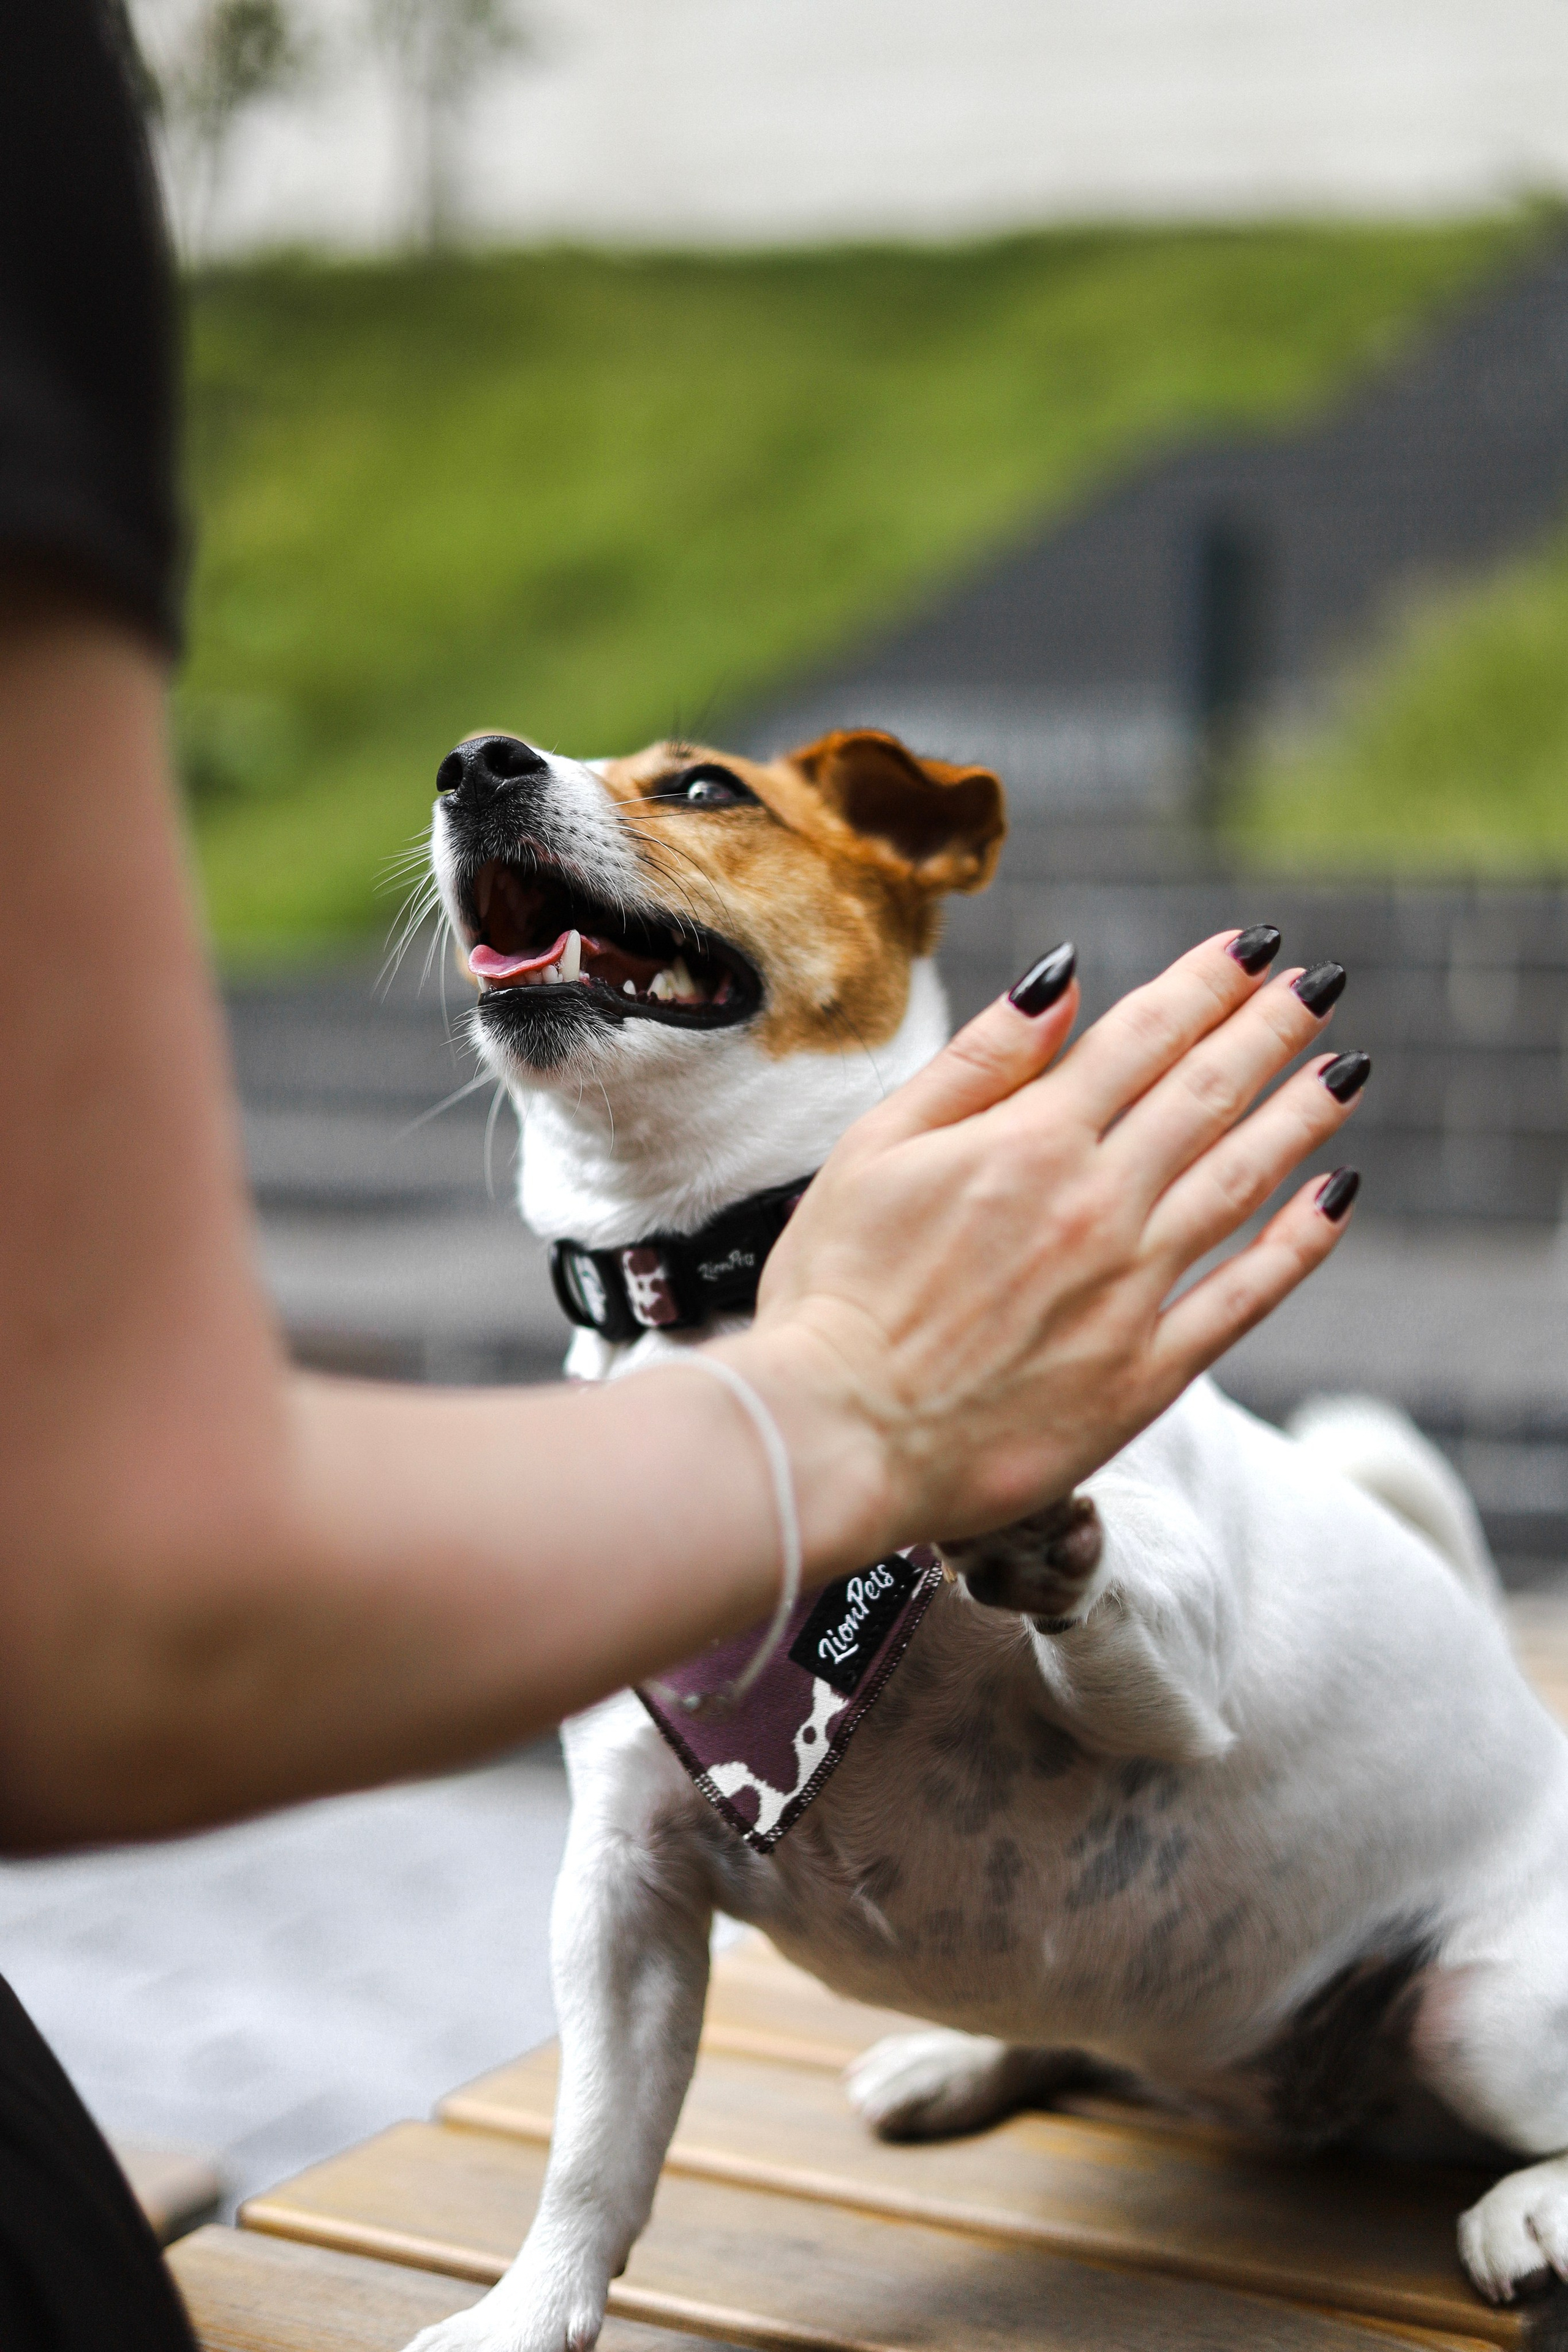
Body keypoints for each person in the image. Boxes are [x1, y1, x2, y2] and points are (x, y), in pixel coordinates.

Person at [0, 5, 1365, 2345]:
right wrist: (845, 1413)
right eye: (568, 806)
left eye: (701, 794)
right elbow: (122, 1612)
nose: (508, 780)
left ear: (887, 889)